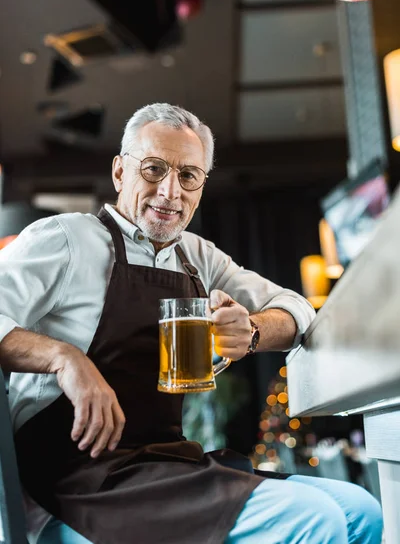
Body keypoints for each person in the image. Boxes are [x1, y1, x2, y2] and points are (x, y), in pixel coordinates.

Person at [0, 104, 382, 544]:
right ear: (120, 172)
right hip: (75, 477)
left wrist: (252, 330)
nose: (170, 191)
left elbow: (297, 309)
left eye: (188, 176)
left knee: (361, 511)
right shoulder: (67, 238)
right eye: (153, 169)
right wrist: (65, 359)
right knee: (316, 520)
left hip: (164, 461)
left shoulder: (198, 256)